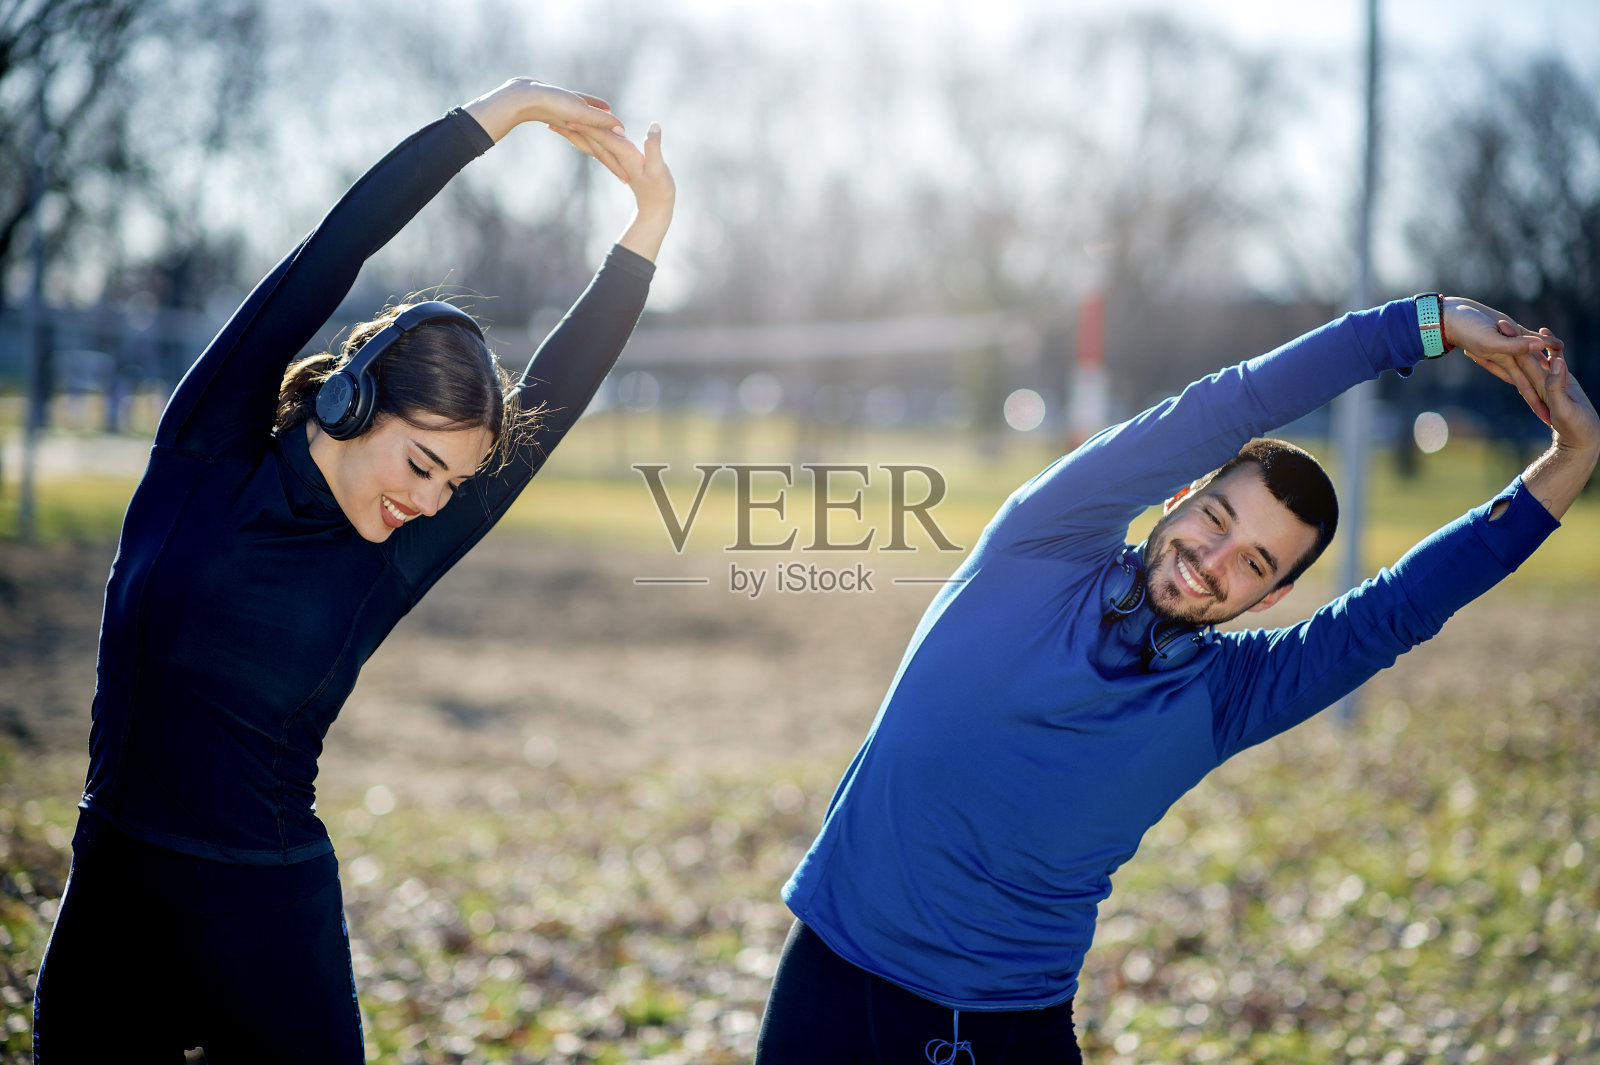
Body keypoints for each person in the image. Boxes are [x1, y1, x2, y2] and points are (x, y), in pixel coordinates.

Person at [754, 295, 1598, 1063]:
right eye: (1216, 517)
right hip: (837, 988)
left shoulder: (1227, 696)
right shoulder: (1042, 543)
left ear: (1274, 594)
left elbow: (1395, 610)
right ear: (1181, 492)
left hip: (1011, 1030)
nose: (1211, 560)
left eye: (1254, 562)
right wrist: (1426, 323)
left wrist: (1572, 456)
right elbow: (1230, 402)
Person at [31, 77, 674, 1063]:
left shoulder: (400, 551)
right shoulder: (208, 448)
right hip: (113, 894)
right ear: (350, 403)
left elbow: (556, 389)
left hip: (267, 924)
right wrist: (497, 116)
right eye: (422, 464)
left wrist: (649, 227)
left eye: (453, 487)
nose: (427, 503)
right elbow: (335, 246)